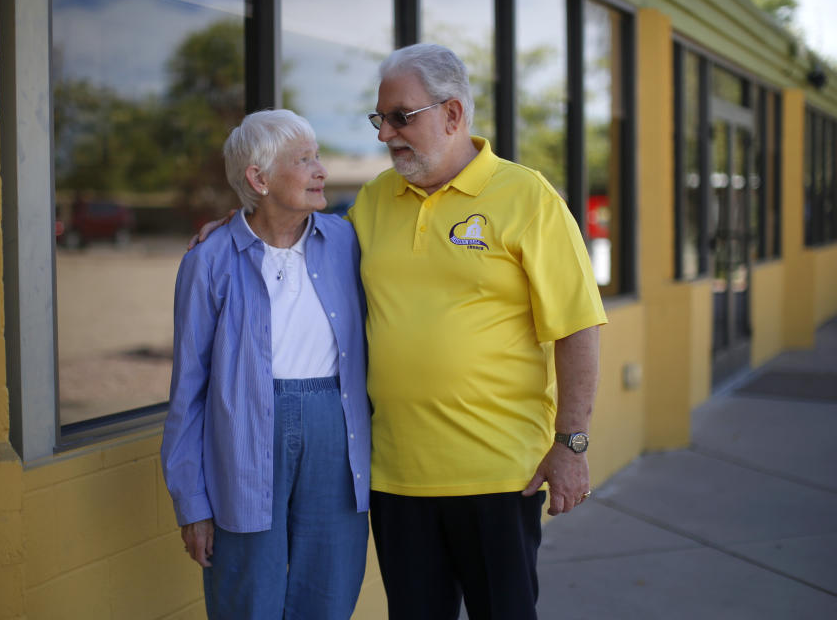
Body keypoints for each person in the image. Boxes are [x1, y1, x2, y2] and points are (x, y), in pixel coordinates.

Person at [193, 44, 607, 620]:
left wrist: (572, 444)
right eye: (379, 119)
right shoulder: (373, 201)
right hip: (394, 479)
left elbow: (578, 326)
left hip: (498, 475)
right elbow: (292, 228)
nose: (386, 135)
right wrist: (237, 222)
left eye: (400, 117)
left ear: (453, 114)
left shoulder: (528, 197)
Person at [161, 109, 371, 620]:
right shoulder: (209, 260)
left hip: (336, 432)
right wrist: (193, 504)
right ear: (259, 178)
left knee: (328, 588)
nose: (321, 169)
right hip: (243, 441)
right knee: (246, 595)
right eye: (305, 160)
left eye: (317, 156)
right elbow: (188, 391)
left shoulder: (347, 240)